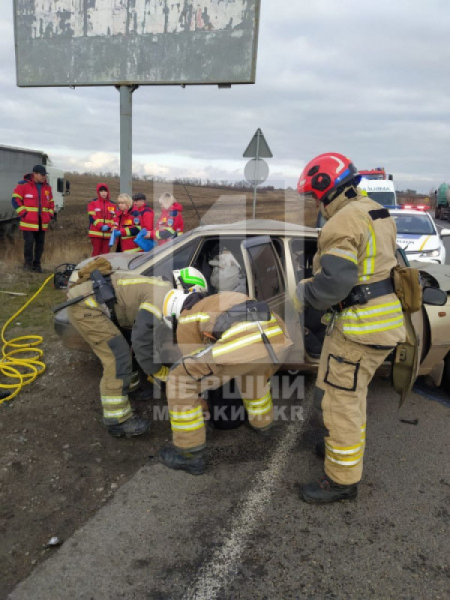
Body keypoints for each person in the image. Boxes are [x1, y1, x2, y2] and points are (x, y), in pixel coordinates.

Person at [295, 152, 406, 503]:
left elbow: (334, 284)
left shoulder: (342, 222)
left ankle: (341, 480)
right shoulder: (376, 211)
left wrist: (303, 293)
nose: (315, 203)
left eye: (314, 195)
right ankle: (337, 445)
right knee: (349, 396)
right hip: (383, 321)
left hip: (360, 328)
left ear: (327, 189)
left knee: (341, 403)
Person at [158, 289, 293, 475]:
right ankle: (263, 425)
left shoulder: (186, 318)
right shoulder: (220, 298)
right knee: (253, 374)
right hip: (276, 339)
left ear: (173, 314)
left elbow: (195, 367)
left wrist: (201, 399)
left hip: (243, 342)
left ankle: (190, 455)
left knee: (179, 379)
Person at [65, 257, 173, 437]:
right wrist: (159, 372)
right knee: (117, 356)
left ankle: (131, 388)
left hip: (101, 302)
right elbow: (141, 342)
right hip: (85, 307)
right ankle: (118, 420)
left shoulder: (165, 289)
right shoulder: (160, 298)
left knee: (126, 345)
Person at [11, 164, 54, 272]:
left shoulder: (47, 187)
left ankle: (37, 265)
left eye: (44, 175)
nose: (43, 177)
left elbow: (51, 203)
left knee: (40, 245)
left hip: (42, 222)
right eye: (41, 175)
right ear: (34, 174)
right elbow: (15, 200)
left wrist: (49, 215)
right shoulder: (23, 185)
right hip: (28, 222)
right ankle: (28, 265)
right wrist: (24, 214)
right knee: (29, 244)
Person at [87, 183, 116, 256]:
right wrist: (101, 226)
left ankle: (104, 268)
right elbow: (92, 217)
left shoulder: (113, 205)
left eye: (105, 191)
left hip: (108, 234)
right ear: (98, 192)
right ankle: (94, 267)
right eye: (101, 191)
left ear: (108, 192)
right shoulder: (93, 203)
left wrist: (109, 226)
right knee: (96, 254)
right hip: (96, 234)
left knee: (106, 255)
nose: (103, 193)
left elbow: (115, 218)